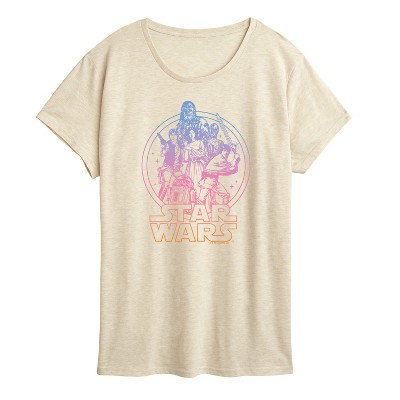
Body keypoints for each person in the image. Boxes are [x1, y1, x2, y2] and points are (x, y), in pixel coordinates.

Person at [197, 144, 240, 212]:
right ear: (221, 151)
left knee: (225, 195)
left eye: (228, 151)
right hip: (208, 181)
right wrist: (236, 159)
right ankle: (198, 214)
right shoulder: (220, 159)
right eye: (224, 150)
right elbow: (230, 170)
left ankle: (223, 212)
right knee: (201, 199)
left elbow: (230, 167)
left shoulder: (222, 158)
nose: (226, 152)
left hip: (214, 181)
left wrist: (235, 160)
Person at [157, 129, 184, 201]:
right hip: (167, 167)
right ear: (169, 136)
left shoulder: (180, 146)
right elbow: (163, 154)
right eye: (171, 135)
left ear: (177, 136)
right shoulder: (167, 144)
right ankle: (160, 199)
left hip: (176, 169)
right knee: (166, 184)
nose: (173, 136)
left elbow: (182, 158)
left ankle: (171, 199)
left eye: (174, 135)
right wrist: (163, 148)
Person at [183, 129, 207, 198]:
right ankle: (192, 199)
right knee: (191, 181)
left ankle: (200, 198)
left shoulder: (200, 142)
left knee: (199, 181)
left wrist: (191, 149)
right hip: (191, 166)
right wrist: (185, 149)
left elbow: (202, 154)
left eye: (193, 132)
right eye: (190, 133)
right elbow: (186, 159)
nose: (191, 134)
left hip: (199, 164)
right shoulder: (188, 145)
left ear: (195, 133)